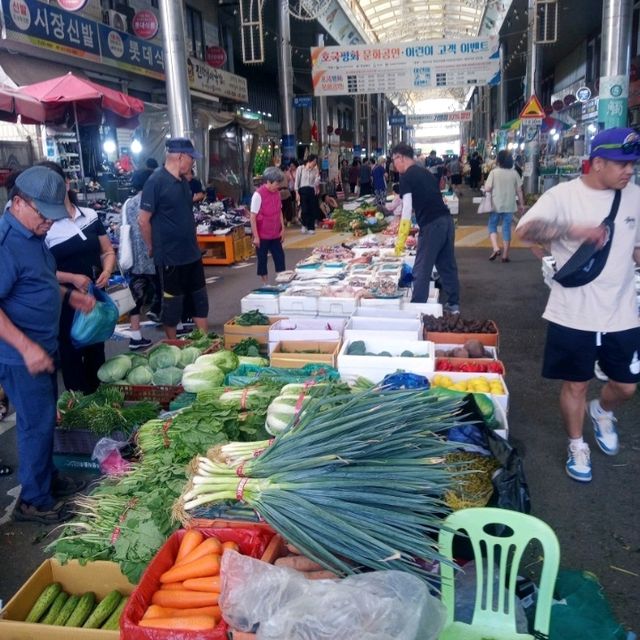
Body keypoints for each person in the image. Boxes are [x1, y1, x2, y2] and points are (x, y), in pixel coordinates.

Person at [515, 127, 640, 483]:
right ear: (597, 162)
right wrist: (574, 230)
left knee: (627, 385)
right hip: (573, 311)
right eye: (621, 164)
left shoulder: (634, 197)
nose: (628, 170)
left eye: (632, 164)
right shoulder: (563, 195)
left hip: (622, 312)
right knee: (576, 385)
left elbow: (636, 249)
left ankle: (602, 411)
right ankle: (576, 444)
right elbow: (525, 231)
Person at [0, 166, 94, 523]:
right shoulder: (6, 244)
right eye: (44, 215)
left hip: (42, 347)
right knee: (35, 424)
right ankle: (33, 501)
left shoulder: (34, 235)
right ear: (19, 203)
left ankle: (46, 479)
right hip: (20, 355)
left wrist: (68, 296)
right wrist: (25, 348)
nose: (50, 223)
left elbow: (36, 283)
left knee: (44, 420)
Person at [41, 161, 117, 394]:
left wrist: (106, 270)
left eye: (57, 183)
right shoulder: (45, 225)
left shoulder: (91, 215)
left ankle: (100, 400)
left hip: (93, 296)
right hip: (64, 301)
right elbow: (39, 270)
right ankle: (78, 408)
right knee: (71, 351)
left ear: (66, 183)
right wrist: (71, 278)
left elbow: (107, 251)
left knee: (96, 346)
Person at [139, 138, 209, 340]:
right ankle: (173, 345)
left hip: (192, 254)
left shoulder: (183, 182)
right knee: (172, 306)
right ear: (180, 156)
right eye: (191, 158)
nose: (193, 162)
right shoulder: (155, 182)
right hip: (170, 258)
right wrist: (151, 247)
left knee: (199, 301)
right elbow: (143, 220)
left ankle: (205, 342)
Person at [391, 143, 460, 311]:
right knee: (446, 264)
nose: (393, 165)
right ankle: (453, 304)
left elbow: (407, 208)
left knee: (422, 268)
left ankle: (417, 309)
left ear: (401, 157)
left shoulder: (406, 176)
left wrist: (401, 238)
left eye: (394, 160)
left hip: (432, 225)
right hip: (446, 221)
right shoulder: (426, 173)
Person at [120, 169, 156, 350]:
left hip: (134, 257)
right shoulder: (151, 201)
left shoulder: (128, 203)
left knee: (136, 298)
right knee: (168, 289)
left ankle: (135, 336)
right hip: (152, 253)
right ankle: (176, 326)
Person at [483, 150, 525, 263]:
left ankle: (496, 248)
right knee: (506, 229)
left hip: (496, 205)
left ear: (498, 161)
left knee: (492, 226)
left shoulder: (494, 173)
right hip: (510, 205)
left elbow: (487, 188)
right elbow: (519, 191)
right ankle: (505, 256)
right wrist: (521, 204)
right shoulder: (515, 173)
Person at [250, 166, 286, 284]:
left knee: (280, 258)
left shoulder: (277, 193)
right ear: (269, 182)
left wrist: (283, 229)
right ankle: (265, 284)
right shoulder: (258, 195)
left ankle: (281, 281)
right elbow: (253, 216)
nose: (278, 186)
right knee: (262, 260)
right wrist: (256, 236)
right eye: (276, 183)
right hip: (262, 235)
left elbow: (279, 211)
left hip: (275, 234)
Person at [294, 154, 320, 234]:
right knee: (304, 209)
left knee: (312, 209)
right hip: (303, 191)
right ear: (310, 161)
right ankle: (304, 224)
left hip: (311, 190)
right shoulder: (300, 169)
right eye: (314, 161)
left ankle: (311, 227)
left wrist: (318, 176)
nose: (315, 163)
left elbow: (316, 183)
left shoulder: (315, 170)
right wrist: (296, 193)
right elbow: (297, 181)